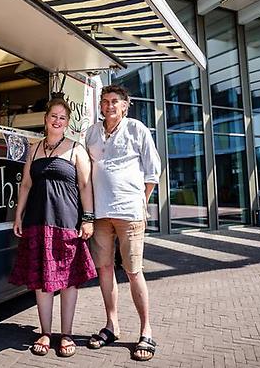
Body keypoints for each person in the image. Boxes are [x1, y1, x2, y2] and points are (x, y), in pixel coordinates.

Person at [9, 98, 97, 358]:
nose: (57, 121)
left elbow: (85, 186)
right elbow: (25, 184)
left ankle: (66, 334)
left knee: (69, 281)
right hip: (37, 221)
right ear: (46, 119)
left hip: (67, 222)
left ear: (67, 123)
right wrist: (18, 215)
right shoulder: (33, 149)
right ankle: (46, 332)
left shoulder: (75, 149)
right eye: (53, 116)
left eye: (62, 117)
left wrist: (88, 218)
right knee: (42, 282)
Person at [84, 84, 161, 362]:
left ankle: (146, 331)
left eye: (115, 101)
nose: (109, 106)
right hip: (100, 215)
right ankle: (112, 325)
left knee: (133, 271)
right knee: (104, 270)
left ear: (125, 105)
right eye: (105, 101)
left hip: (129, 213)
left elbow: (153, 172)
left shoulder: (137, 129)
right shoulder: (91, 132)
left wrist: (140, 202)